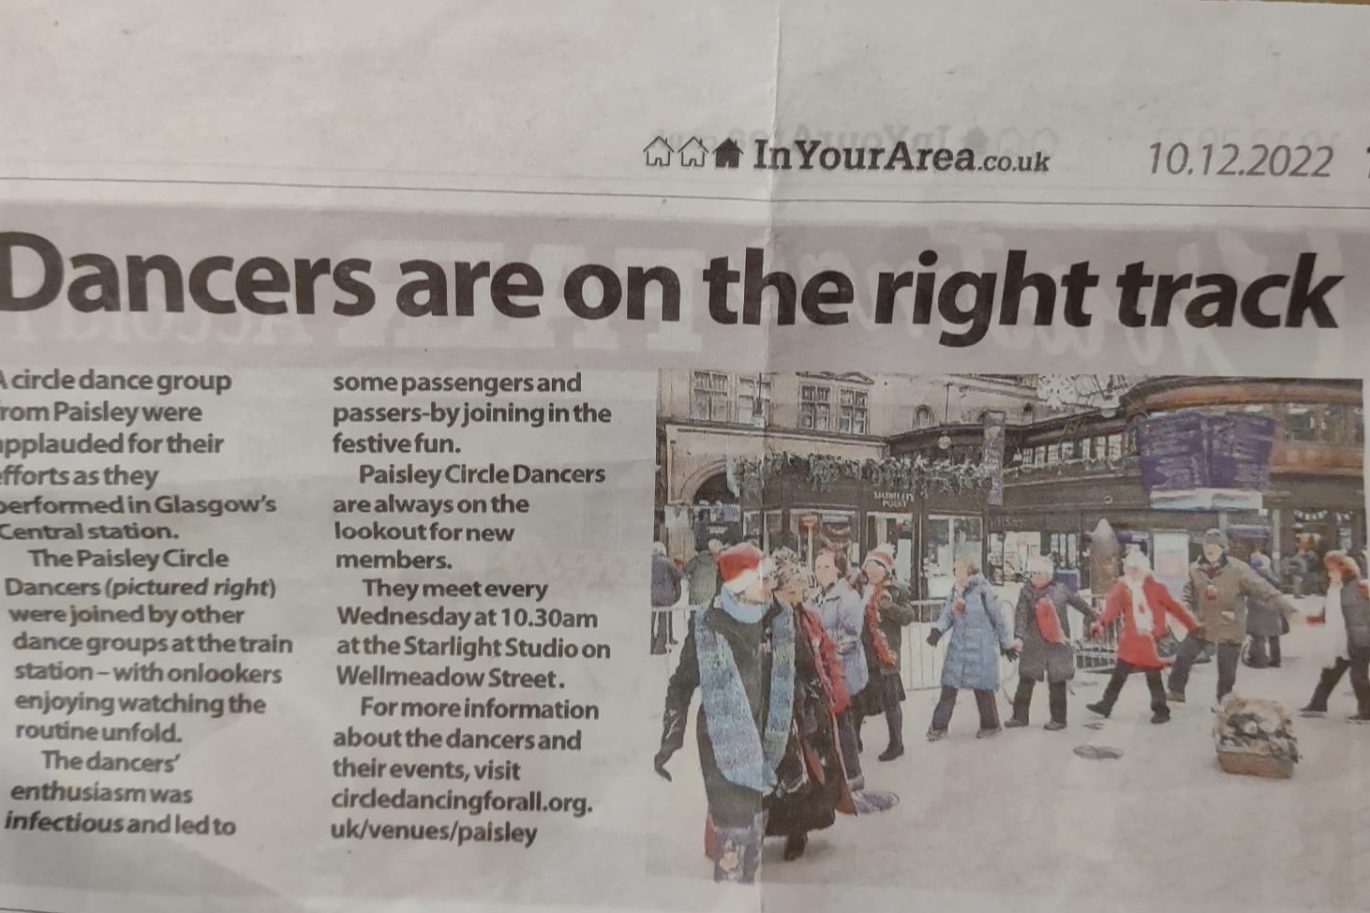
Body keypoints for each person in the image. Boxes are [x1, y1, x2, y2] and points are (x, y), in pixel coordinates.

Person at [654, 543, 793, 883]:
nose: (770, 584)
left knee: (755, 834)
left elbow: (795, 676)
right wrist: (671, 737)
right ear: (738, 584)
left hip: (767, 744)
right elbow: (681, 684)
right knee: (733, 836)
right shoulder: (707, 624)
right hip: (722, 749)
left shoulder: (780, 619)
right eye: (763, 577)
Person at [763, 551, 855, 862]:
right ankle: (775, 827)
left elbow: (827, 654)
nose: (795, 596)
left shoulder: (808, 617)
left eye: (797, 591)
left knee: (810, 772)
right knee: (781, 773)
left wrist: (836, 687)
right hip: (776, 708)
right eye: (789, 591)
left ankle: (798, 832)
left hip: (808, 707)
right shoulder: (765, 620)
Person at [1167, 529, 1298, 706]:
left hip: (1229, 625)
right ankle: (1176, 691)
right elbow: (1188, 592)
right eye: (1207, 547)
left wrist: (1289, 611)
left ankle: (1224, 700)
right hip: (1202, 624)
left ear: (1223, 549)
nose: (1210, 551)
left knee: (1227, 669)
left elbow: (1265, 590)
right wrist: (1184, 608)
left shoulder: (1238, 569)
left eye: (1214, 547)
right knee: (1183, 656)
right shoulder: (1195, 569)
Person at [1087, 551, 1201, 723]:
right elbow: (1111, 609)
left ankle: (1161, 711)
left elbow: (1175, 607)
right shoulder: (1122, 587)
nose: (1132, 572)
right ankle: (1106, 704)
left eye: (1136, 569)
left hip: (1149, 640)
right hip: (1131, 640)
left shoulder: (1157, 588)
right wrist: (1101, 623)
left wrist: (1191, 625)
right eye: (1130, 569)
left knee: (1153, 677)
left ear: (1144, 569)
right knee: (1120, 674)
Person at [925, 557, 1017, 740]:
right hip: (958, 647)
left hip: (980, 648)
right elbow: (948, 615)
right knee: (949, 687)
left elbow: (999, 620)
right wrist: (937, 630)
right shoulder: (956, 592)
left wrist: (1006, 644)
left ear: (970, 572)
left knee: (983, 689)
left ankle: (991, 724)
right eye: (955, 569)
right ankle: (938, 726)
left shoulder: (984, 591)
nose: (955, 573)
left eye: (959, 569)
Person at [1007, 555, 1096, 731]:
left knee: (1057, 681)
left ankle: (1059, 719)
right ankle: (1019, 716)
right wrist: (1018, 636)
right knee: (1026, 679)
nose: (1033, 577)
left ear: (1047, 575)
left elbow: (1079, 603)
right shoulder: (1026, 592)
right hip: (1033, 643)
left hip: (1057, 642)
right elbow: (1021, 615)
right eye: (1031, 573)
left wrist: (1093, 614)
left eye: (1036, 573)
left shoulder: (1061, 590)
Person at [854, 545, 916, 760]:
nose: (872, 571)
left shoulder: (897, 590)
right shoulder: (857, 588)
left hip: (885, 655)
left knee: (891, 701)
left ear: (886, 569)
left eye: (877, 566)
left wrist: (889, 608)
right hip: (862, 652)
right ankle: (854, 741)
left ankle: (896, 744)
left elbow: (908, 617)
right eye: (869, 566)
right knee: (858, 700)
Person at [815, 548, 868, 788]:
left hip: (845, 669)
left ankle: (854, 775)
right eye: (817, 567)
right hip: (829, 670)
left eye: (825, 567)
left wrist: (825, 646)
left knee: (844, 719)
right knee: (839, 720)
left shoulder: (847, 596)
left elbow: (853, 635)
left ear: (838, 568)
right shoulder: (820, 595)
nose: (820, 572)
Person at [1299, 551, 1370, 721]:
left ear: (1342, 568)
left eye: (1331, 568)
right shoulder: (1334, 589)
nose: (1328, 572)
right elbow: (1329, 613)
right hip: (1340, 641)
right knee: (1330, 672)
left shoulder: (1358, 587)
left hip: (1358, 639)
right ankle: (1317, 704)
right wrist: (1310, 619)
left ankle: (1366, 712)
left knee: (1358, 677)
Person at [1244, 545, 1285, 669]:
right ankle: (1276, 660)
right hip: (1272, 606)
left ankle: (1260, 661)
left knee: (1258, 635)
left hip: (1257, 607)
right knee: (1274, 635)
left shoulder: (1251, 576)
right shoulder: (1271, 575)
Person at [650, 542, 685, 654]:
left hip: (650, 594)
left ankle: (649, 643)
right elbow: (679, 575)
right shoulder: (666, 562)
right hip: (665, 595)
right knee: (663, 619)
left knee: (650, 619)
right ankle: (660, 647)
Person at [684, 538, 723, 609]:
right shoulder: (716, 562)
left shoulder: (697, 559)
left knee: (694, 613)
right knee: (706, 615)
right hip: (710, 592)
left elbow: (685, 570)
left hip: (696, 591)